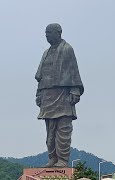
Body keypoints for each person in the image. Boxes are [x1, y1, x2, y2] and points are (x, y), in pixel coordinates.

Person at [35, 23, 84, 167]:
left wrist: (75, 90)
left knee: (63, 129)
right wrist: (38, 94)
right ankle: (52, 158)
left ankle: (62, 159)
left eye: (49, 32)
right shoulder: (46, 52)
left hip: (62, 94)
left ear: (59, 33)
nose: (47, 35)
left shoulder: (67, 49)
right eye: (45, 33)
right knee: (50, 132)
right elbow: (40, 76)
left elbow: (73, 71)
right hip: (47, 95)